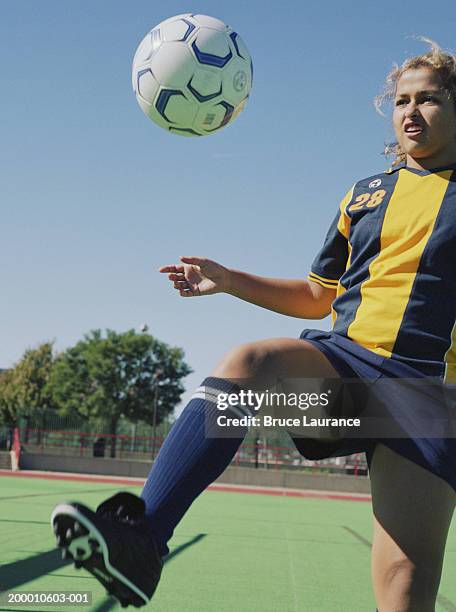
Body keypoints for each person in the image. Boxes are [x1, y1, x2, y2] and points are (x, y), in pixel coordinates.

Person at [51, 39, 456, 611]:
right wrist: (229, 279)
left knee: (405, 586)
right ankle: (143, 540)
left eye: (430, 99)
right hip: (347, 380)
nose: (411, 111)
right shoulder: (366, 194)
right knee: (251, 366)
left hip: (428, 400)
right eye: (402, 100)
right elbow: (320, 295)